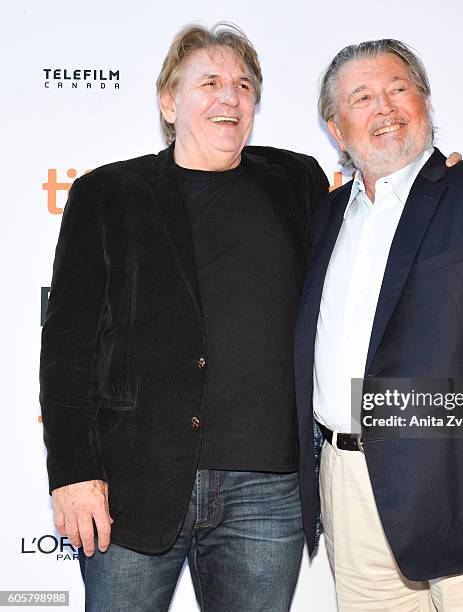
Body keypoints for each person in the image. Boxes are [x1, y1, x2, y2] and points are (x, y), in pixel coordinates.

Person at [39, 23, 330, 611]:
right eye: (211, 82)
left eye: (245, 85)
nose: (230, 97)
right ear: (169, 101)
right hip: (133, 483)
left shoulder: (298, 182)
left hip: (267, 489)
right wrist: (73, 473)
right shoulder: (107, 194)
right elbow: (67, 348)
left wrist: (431, 187)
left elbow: (367, 250)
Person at [295, 39, 463, 611]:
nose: (385, 107)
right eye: (363, 97)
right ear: (336, 129)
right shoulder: (323, 217)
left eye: (399, 89)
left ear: (424, 101)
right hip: (347, 486)